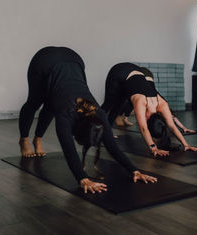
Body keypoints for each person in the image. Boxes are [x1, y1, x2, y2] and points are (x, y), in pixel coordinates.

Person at [18, 47, 156, 194]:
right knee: (34, 101)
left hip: (74, 59)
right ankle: (24, 140)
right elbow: (69, 151)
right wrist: (82, 178)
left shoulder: (99, 115)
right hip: (44, 60)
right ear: (75, 132)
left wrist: (134, 171)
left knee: (53, 102)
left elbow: (112, 146)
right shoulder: (65, 117)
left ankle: (37, 140)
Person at [101, 62, 197, 156]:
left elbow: (172, 126)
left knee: (118, 105)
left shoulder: (162, 104)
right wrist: (153, 148)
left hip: (133, 73)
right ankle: (93, 126)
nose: (145, 118)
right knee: (108, 104)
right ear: (149, 119)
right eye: (146, 119)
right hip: (119, 71)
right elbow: (144, 128)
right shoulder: (141, 102)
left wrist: (186, 144)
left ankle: (107, 131)